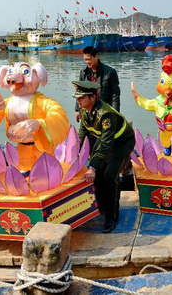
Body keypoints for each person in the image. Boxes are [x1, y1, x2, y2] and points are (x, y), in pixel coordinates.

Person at [73, 81, 135, 233]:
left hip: (121, 143)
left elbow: (107, 144)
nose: (78, 101)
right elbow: (82, 133)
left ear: (93, 97)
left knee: (109, 175)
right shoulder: (84, 110)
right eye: (77, 98)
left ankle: (112, 217)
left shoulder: (106, 115)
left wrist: (92, 166)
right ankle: (101, 206)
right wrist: (75, 155)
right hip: (105, 140)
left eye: (81, 98)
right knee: (98, 175)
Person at [75, 46, 120, 122]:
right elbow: (79, 92)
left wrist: (115, 114)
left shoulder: (110, 72)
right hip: (88, 110)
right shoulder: (83, 73)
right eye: (85, 60)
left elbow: (115, 95)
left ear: (96, 56)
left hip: (105, 110)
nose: (87, 62)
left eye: (89, 59)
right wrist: (77, 110)